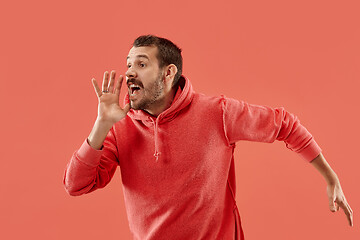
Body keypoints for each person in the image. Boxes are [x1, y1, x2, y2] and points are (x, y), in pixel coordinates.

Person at [63, 35, 353, 240]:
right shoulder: (119, 125)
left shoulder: (218, 113)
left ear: (168, 73)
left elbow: (284, 124)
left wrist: (330, 177)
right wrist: (101, 125)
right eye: (128, 64)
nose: (129, 73)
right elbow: (76, 185)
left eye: (140, 64)